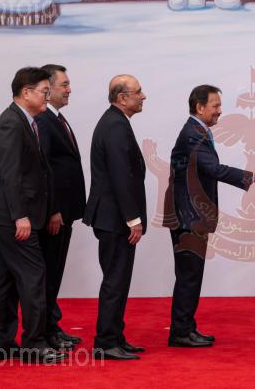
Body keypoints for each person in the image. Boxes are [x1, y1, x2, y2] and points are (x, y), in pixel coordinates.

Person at [163, 84, 255, 348]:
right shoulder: (193, 134)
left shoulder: (199, 131)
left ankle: (186, 328)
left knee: (192, 274)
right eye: (216, 106)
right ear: (200, 107)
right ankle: (180, 333)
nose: (220, 111)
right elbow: (214, 169)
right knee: (189, 275)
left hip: (193, 215)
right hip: (188, 216)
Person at [0, 67, 66, 363]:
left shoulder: (26, 121)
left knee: (6, 278)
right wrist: (20, 216)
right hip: (10, 217)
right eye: (44, 91)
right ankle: (34, 343)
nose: (48, 96)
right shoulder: (11, 123)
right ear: (26, 92)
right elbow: (11, 175)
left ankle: (3, 343)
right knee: (33, 275)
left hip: (11, 215)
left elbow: (38, 172)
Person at [83, 75, 147, 360]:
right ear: (122, 98)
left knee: (118, 279)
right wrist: (132, 218)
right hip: (115, 218)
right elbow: (121, 175)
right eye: (138, 92)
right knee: (115, 280)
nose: (143, 96)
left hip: (112, 216)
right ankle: (106, 342)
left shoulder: (116, 122)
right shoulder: (115, 125)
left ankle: (115, 337)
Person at [35, 64, 86, 350]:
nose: (69, 89)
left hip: (66, 211)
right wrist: (53, 209)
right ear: (48, 87)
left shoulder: (57, 118)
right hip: (54, 214)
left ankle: (52, 326)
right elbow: (44, 169)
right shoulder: (44, 121)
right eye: (64, 85)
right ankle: (45, 331)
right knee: (49, 273)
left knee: (55, 272)